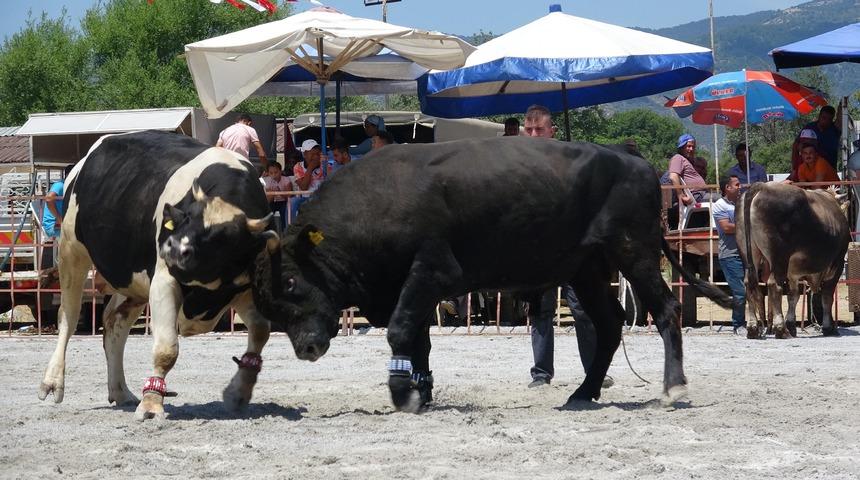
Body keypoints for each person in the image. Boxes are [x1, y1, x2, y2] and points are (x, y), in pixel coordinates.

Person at [521, 104, 610, 389]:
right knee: (540, 311)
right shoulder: (518, 167)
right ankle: (541, 373)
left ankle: (594, 370)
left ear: (552, 131)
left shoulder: (571, 161)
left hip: (573, 248)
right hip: (537, 249)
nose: (534, 134)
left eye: (539, 129)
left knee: (583, 310)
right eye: (530, 129)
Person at [712, 175, 746, 334]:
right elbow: (726, 228)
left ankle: (749, 322)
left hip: (745, 253)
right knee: (740, 291)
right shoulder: (719, 205)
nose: (740, 187)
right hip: (730, 254)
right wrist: (749, 225)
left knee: (749, 289)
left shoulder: (741, 203)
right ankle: (738, 324)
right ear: (728, 187)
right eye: (737, 184)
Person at [42, 165, 74, 267]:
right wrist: (59, 218)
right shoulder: (60, 185)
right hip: (53, 225)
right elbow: (49, 198)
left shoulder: (69, 187)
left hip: (62, 224)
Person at [668, 134, 709, 206]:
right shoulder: (678, 158)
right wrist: (681, 195)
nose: (691, 149)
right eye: (688, 146)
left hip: (701, 194)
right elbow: (673, 176)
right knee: (721, 200)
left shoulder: (689, 161)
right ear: (681, 147)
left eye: (693, 147)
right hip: (695, 196)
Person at [292, 139, 325, 219]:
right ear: (304, 154)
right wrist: (310, 168)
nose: (315, 157)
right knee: (293, 202)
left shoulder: (325, 165)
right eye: (312, 154)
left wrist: (324, 164)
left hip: (322, 197)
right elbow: (304, 187)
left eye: (317, 154)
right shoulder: (298, 167)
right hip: (305, 198)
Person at [800, 105, 841, 170]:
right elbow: (797, 145)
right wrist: (795, 167)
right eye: (824, 118)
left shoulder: (834, 129)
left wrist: (842, 103)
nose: (826, 121)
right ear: (819, 116)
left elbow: (840, 117)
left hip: (829, 170)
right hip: (809, 169)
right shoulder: (810, 127)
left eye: (829, 119)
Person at [263, 162, 292, 230]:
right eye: (271, 173)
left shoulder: (286, 180)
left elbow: (289, 197)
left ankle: (285, 230)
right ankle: (268, 230)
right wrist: (272, 194)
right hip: (273, 202)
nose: (274, 175)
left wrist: (279, 192)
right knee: (268, 212)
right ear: (268, 173)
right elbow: (267, 200)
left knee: (284, 211)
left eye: (276, 172)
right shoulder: (267, 181)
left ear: (280, 171)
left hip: (283, 202)